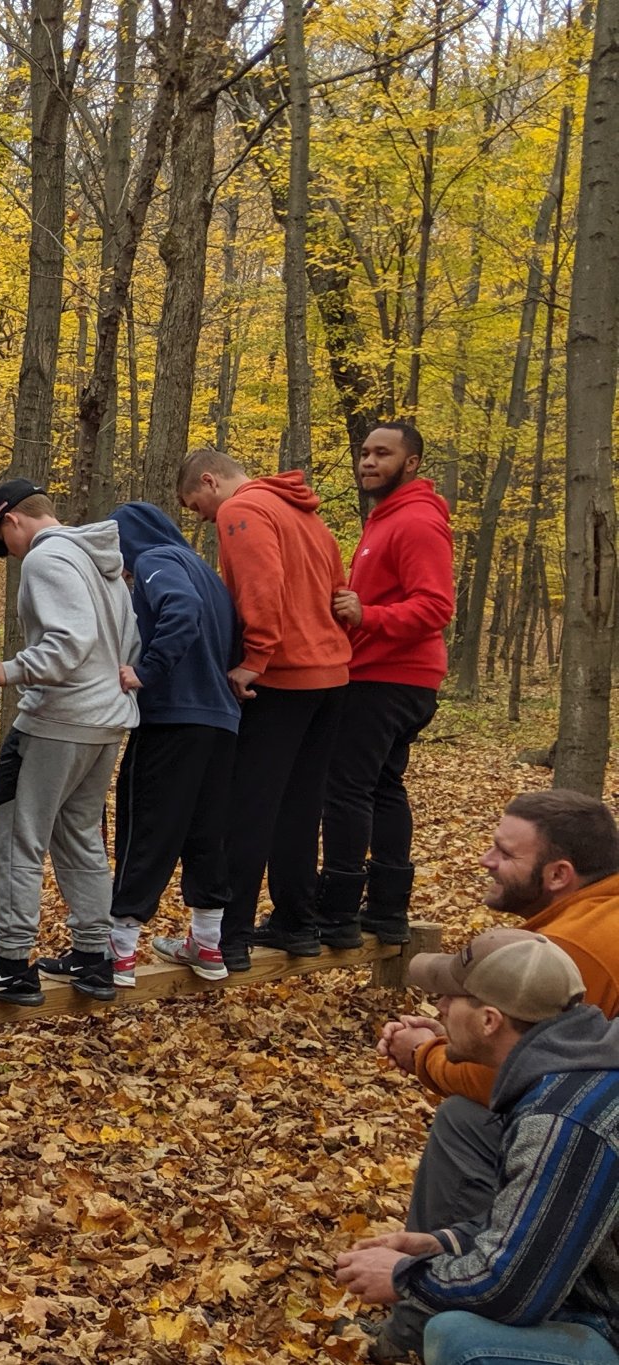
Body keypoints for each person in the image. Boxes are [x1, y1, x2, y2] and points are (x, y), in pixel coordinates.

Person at [361, 792, 619, 1360]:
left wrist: (428, 1055)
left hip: (597, 1308)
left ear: (559, 874)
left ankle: (409, 1334)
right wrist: (444, 1243)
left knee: (466, 1121)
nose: (485, 860)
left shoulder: (561, 1114)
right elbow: (528, 1044)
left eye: (504, 852)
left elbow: (509, 1082)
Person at [336, 930, 619, 1365]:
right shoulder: (574, 1070)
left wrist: (403, 1277)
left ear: (490, 1021)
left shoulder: (562, 1119)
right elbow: (540, 1217)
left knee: (461, 1340)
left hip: (606, 1321)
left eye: (452, 999)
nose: (440, 1008)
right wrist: (442, 1243)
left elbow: (514, 1292)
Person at [175, 448, 350, 971]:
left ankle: (229, 935)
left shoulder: (242, 510)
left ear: (210, 482)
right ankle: (298, 923)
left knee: (247, 806)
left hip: (284, 677)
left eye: (195, 504)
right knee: (300, 805)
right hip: (331, 675)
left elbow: (260, 587)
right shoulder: (305, 512)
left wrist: (255, 658)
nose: (201, 517)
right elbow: (340, 590)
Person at [0, 483, 140, 1005]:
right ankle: (93, 955)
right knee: (80, 836)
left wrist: (13, 669)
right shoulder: (101, 562)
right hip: (105, 720)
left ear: (13, 522)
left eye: (5, 540)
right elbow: (127, 637)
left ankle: (14, 962)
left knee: (18, 834)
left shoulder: (48, 560)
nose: (10, 553)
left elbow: (68, 639)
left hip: (56, 721)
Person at [321, 420, 454, 948]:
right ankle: (386, 910)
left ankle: (336, 911)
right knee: (381, 786)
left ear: (412, 462)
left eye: (383, 454)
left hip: (389, 677)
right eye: (365, 453)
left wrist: (366, 615)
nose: (369, 462)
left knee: (348, 787)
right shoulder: (385, 519)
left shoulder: (417, 521)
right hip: (391, 675)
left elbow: (437, 606)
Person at [109, 502, 243, 985]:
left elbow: (179, 611)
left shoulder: (155, 560)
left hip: (171, 718)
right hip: (222, 722)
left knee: (144, 825)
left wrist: (147, 671)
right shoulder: (206, 572)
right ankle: (207, 943)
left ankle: (118, 948)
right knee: (206, 833)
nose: (121, 565)